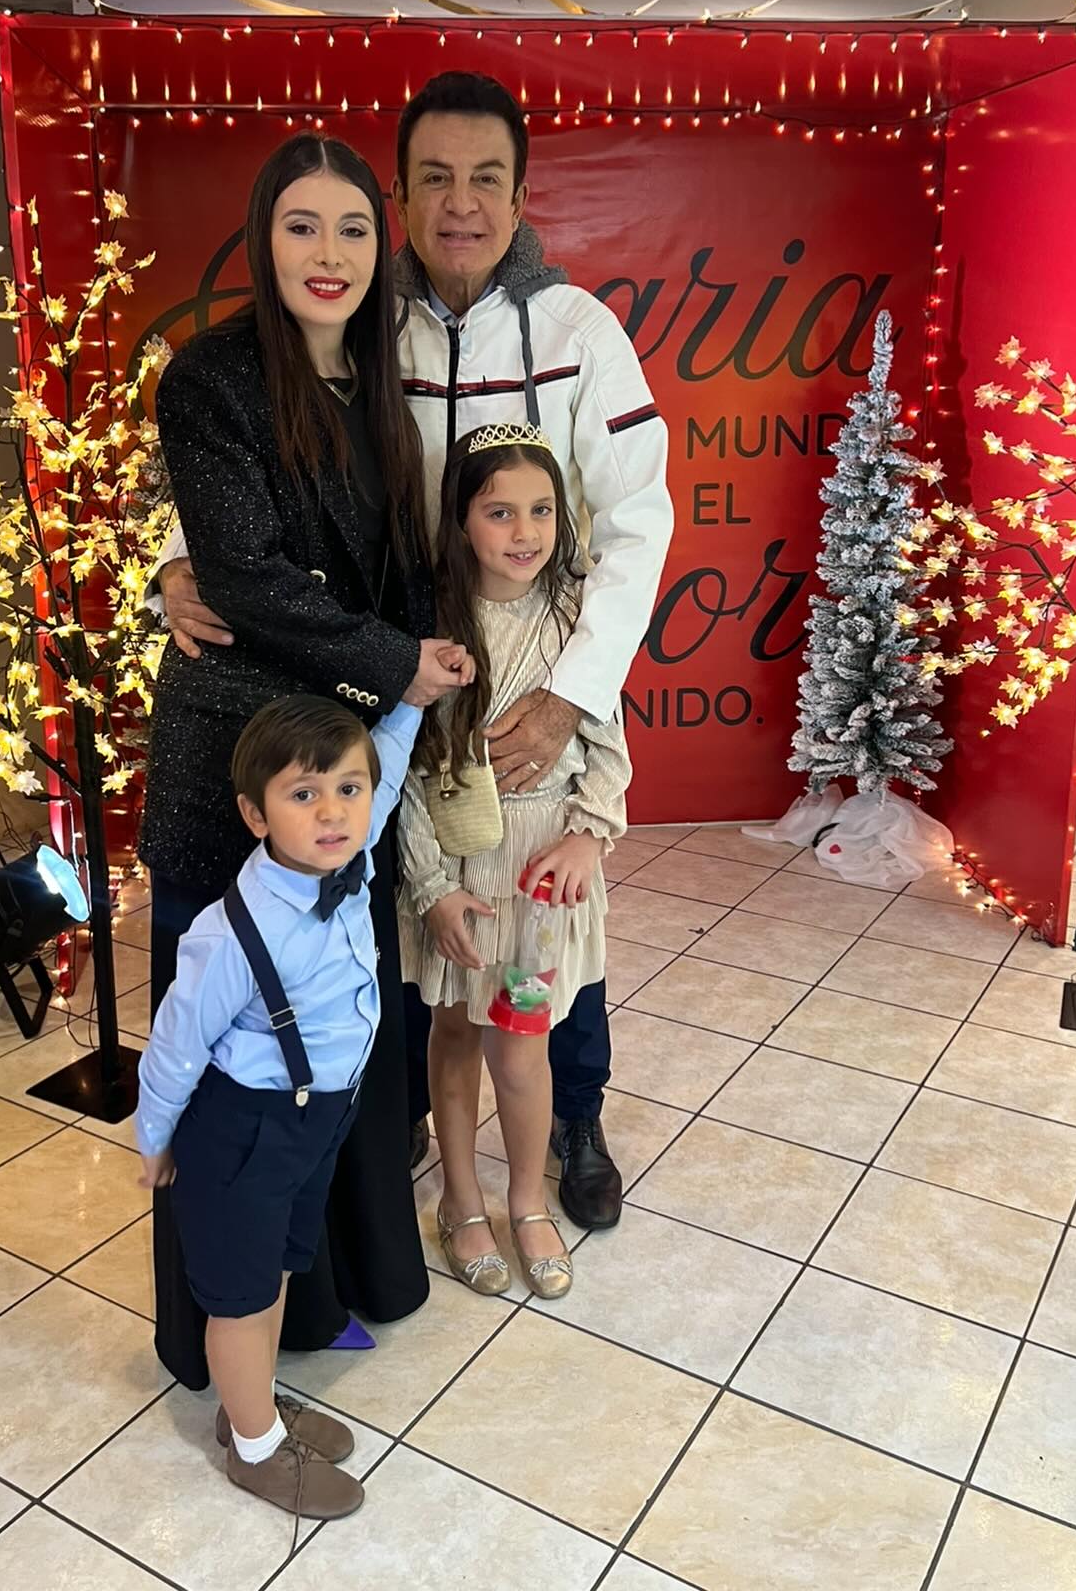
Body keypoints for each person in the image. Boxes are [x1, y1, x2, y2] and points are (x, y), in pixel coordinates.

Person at [156, 71, 672, 1230]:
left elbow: (640, 524)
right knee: (416, 919)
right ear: (399, 195)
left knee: (544, 915)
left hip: (531, 677)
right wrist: (173, 570)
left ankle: (575, 1116)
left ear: (521, 195)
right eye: (434, 178)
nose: (461, 203)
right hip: (384, 685)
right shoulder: (355, 321)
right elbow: (251, 474)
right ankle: (405, 1128)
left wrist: (572, 696)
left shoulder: (580, 332)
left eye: (486, 179)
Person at [142, 132, 471, 1388]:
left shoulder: (384, 375)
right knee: (238, 1059)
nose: (327, 254)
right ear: (261, 238)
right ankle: (223, 1330)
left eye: (350, 229)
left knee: (338, 1040)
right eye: (300, 226)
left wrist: (419, 668)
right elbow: (241, 573)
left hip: (348, 774)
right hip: (240, 767)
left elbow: (400, 560)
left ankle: (340, 1286)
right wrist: (395, 661)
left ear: (380, 244)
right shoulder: (211, 377)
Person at [137, 691, 421, 1520]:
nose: (333, 812)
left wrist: (412, 701)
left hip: (314, 1122)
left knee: (282, 1269)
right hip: (244, 1132)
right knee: (242, 1296)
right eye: (304, 794)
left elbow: (387, 772)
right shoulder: (233, 932)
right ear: (255, 815)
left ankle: (251, 1402)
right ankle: (255, 1450)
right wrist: (154, 1137)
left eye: (347, 789)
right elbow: (176, 1043)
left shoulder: (351, 861)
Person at [399, 424, 630, 1301]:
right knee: (455, 1033)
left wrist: (587, 835)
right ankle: (462, 1201)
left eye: (541, 511)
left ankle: (527, 1199)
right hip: (459, 876)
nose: (524, 532)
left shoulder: (576, 621)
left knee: (524, 1046)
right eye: (499, 512)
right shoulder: (429, 626)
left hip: (537, 880)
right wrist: (431, 887)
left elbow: (608, 744)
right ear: (462, 520)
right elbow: (405, 769)